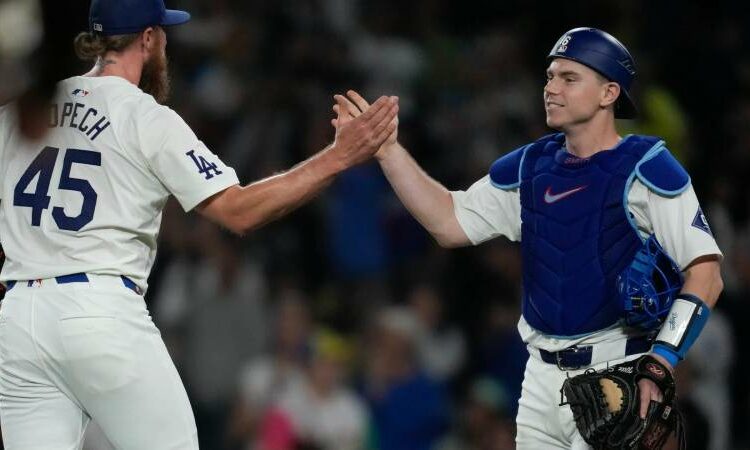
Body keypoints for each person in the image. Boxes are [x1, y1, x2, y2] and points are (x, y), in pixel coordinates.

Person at [0, 0, 398, 448]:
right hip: (98, 309)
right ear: (148, 39)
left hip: (19, 316)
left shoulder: (20, 115)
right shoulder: (146, 117)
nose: (167, 42)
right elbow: (239, 211)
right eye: (164, 33)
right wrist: (338, 156)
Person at [333, 27, 723, 449]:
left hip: (617, 373)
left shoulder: (648, 167)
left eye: (569, 78)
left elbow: (706, 274)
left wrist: (663, 359)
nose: (551, 88)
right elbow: (449, 221)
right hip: (539, 378)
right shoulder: (530, 165)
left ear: (609, 93)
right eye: (550, 76)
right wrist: (389, 152)